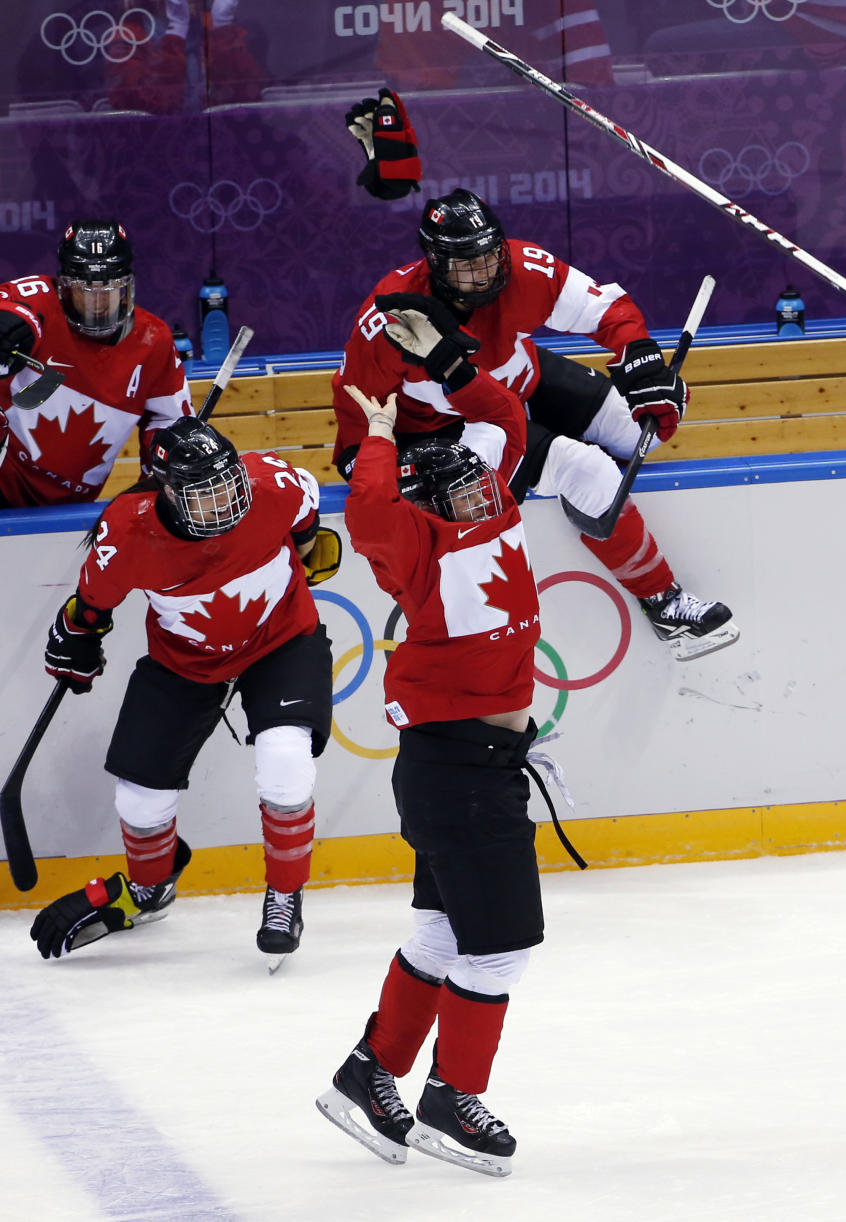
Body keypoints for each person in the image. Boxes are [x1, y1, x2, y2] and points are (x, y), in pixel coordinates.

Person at [332, 186, 739, 662]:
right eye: (466, 264)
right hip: (456, 429)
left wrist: (643, 360)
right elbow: (356, 415)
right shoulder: (389, 319)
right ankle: (664, 602)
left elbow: (605, 308)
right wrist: (379, 471)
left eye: (488, 256)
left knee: (640, 429)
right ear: (434, 264)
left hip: (523, 379)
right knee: (591, 473)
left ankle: (586, 493)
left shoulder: (524, 267)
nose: (484, 272)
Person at [316, 364, 544, 1178]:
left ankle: (368, 1075)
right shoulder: (418, 548)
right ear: (435, 509)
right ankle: (451, 1097)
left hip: (467, 769)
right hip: (462, 776)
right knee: (502, 948)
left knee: (444, 934)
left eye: (487, 487)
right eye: (469, 495)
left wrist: (454, 369)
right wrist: (376, 435)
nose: (486, 498)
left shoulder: (496, 502)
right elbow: (370, 508)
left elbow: (508, 419)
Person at [28, 416, 342, 965]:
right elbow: (93, 605)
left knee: (285, 759)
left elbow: (305, 519)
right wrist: (77, 635)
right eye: (204, 494)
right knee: (138, 797)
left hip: (283, 641)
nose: (224, 505)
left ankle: (285, 894)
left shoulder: (273, 483)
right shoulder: (126, 532)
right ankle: (149, 891)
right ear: (167, 491)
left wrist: (303, 551)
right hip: (185, 661)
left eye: (228, 486)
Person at [0, 218, 193, 509]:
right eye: (84, 292)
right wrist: (11, 323)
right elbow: (11, 303)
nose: (97, 305)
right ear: (64, 285)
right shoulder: (39, 300)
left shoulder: (153, 340)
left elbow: (168, 420)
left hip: (72, 507)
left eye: (109, 290)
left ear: (127, 285)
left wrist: (160, 483)